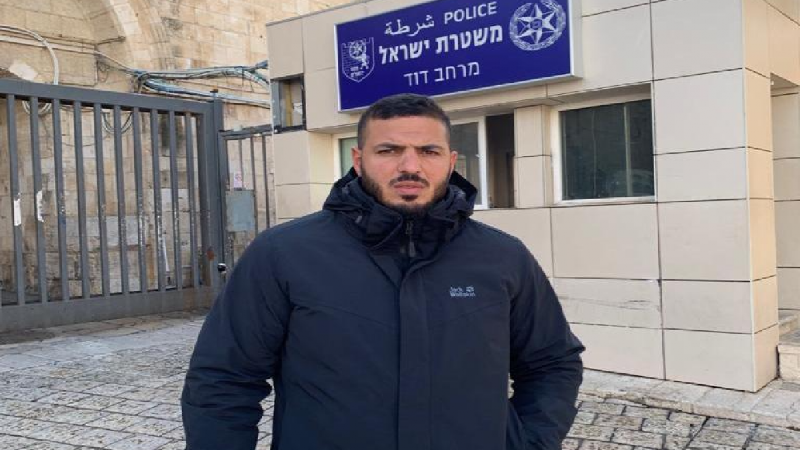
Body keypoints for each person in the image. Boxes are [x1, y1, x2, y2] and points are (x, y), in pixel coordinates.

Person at [181, 93, 585, 450]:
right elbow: (223, 379)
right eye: (389, 150)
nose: (410, 166)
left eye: (428, 151)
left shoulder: (502, 256)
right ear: (358, 161)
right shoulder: (283, 254)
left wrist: (530, 441)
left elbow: (553, 362)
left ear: (450, 161)